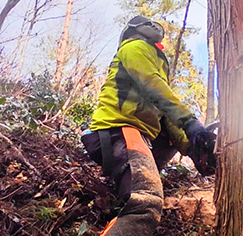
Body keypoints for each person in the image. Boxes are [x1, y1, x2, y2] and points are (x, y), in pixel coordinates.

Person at [80, 15, 217, 236]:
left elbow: (164, 114)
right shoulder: (134, 47)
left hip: (138, 134)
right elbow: (153, 84)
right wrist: (191, 122)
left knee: (171, 136)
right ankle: (137, 196)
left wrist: (192, 148)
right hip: (120, 130)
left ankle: (125, 202)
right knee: (146, 204)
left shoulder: (154, 61)